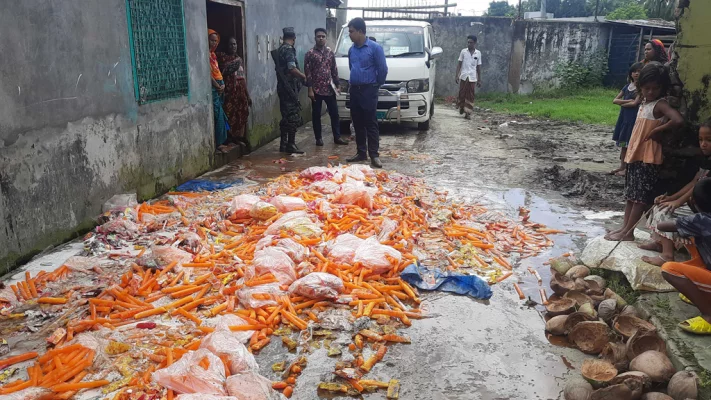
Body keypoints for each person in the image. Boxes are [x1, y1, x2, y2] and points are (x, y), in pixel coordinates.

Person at [606, 62, 684, 242]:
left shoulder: (660, 104)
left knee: (639, 198)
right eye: (646, 88)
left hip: (647, 158)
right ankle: (625, 229)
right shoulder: (643, 101)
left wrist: (658, 130)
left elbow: (678, 120)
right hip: (634, 155)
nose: (650, 92)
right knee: (630, 196)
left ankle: (628, 232)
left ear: (662, 88)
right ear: (640, 87)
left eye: (655, 88)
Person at [640, 120, 711, 266]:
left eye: (709, 140)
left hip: (705, 213)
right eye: (701, 139)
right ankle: (660, 243)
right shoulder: (706, 160)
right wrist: (671, 197)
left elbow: (698, 187)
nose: (704, 144)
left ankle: (667, 255)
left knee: (665, 211)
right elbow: (693, 182)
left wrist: (677, 202)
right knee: (659, 204)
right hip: (695, 205)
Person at [658, 179, 711, 334]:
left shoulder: (701, 220)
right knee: (692, 240)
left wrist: (689, 220)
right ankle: (702, 291)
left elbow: (662, 226)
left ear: (693, 201)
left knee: (670, 269)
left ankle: (709, 315)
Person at [344, 18, 388, 169]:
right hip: (355, 89)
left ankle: (374, 155)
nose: (349, 35)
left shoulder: (375, 48)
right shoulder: (352, 50)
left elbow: (382, 69)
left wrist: (376, 84)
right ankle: (361, 152)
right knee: (357, 122)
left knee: (370, 122)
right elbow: (352, 67)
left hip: (369, 90)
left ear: (361, 31)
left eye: (351, 32)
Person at [304, 28, 349, 147]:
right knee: (316, 115)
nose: (321, 38)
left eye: (323, 36)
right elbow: (307, 73)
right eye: (319, 36)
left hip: (329, 89)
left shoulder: (330, 53)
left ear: (326, 38)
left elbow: (334, 69)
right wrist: (310, 89)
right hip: (316, 89)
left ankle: (337, 137)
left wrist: (338, 85)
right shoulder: (310, 54)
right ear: (315, 38)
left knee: (334, 114)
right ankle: (318, 138)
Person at [276, 27, 307, 154]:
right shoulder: (288, 50)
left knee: (285, 116)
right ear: (294, 38)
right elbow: (291, 68)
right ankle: (291, 144)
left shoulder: (280, 49)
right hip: (289, 88)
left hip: (282, 87)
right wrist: (303, 76)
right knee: (293, 116)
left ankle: (283, 144)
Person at [217, 37, 252, 149]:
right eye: (231, 44)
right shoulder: (222, 58)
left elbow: (242, 79)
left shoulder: (239, 60)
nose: (233, 46)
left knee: (241, 115)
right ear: (226, 46)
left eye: (235, 44)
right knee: (229, 116)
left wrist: (247, 95)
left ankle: (238, 138)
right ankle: (229, 139)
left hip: (240, 94)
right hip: (229, 94)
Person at [610, 62, 643, 176]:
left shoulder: (641, 88)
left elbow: (635, 104)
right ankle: (622, 166)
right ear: (630, 73)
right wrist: (627, 101)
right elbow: (615, 100)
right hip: (624, 118)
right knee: (623, 143)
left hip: (633, 118)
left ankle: (627, 168)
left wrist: (622, 102)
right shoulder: (627, 87)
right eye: (634, 71)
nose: (636, 74)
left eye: (639, 71)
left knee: (630, 143)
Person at [209, 29, 231, 152]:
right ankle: (219, 143)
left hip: (219, 86)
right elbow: (209, 73)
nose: (214, 43)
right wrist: (217, 85)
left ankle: (223, 140)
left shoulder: (213, 55)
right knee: (218, 114)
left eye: (216, 41)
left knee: (222, 114)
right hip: (214, 87)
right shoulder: (206, 55)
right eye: (212, 41)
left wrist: (222, 85)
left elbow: (217, 72)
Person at [455, 35, 482, 120]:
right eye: (468, 42)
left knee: (470, 95)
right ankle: (462, 107)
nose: (469, 44)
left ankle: (468, 112)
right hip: (464, 76)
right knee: (462, 93)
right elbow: (459, 64)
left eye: (471, 43)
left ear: (475, 43)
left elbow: (478, 67)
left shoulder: (478, 53)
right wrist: (457, 75)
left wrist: (479, 79)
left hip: (472, 77)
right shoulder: (463, 52)